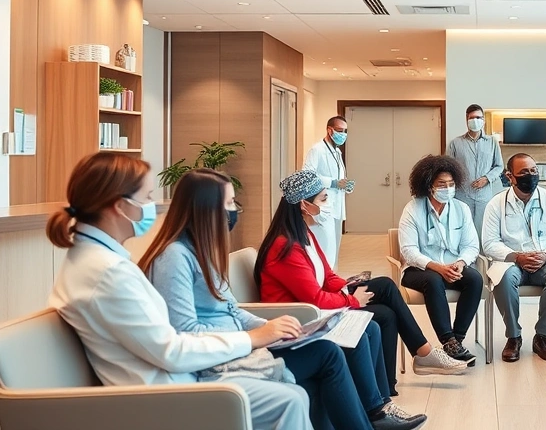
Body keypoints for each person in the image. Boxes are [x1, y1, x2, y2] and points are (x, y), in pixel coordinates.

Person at [138, 168, 426, 430]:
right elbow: (185, 332)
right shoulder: (173, 258)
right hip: (221, 360)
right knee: (331, 352)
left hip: (245, 343)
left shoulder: (202, 252)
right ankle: (376, 412)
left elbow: (232, 310)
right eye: (228, 203)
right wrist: (256, 336)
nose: (235, 210)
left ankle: (378, 409)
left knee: (353, 333)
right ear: (205, 208)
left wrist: (275, 328)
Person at [46, 153, 312, 430]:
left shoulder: (94, 261)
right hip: (166, 396)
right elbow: (171, 351)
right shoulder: (108, 272)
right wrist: (250, 338)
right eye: (147, 197)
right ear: (121, 207)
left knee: (293, 390)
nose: (153, 207)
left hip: (172, 382)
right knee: (289, 399)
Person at [255, 170, 467, 396]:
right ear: (303, 205)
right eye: (323, 199)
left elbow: (326, 275)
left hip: (315, 307)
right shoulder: (285, 247)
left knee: (386, 312)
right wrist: (351, 299)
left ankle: (386, 390)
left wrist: (348, 284)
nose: (328, 205)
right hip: (304, 317)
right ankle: (422, 355)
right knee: (385, 287)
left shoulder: (303, 234)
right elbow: (314, 299)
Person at [481, 153, 546, 363]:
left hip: (544, 260)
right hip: (511, 261)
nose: (530, 176)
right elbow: (489, 243)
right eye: (523, 173)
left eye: (533, 171)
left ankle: (542, 336)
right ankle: (513, 337)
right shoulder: (496, 204)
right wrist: (516, 257)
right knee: (504, 278)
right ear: (509, 176)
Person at [398, 155, 484, 365]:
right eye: (442, 185)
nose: (448, 188)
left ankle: (456, 342)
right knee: (434, 280)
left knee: (474, 279)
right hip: (419, 269)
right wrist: (437, 267)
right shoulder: (413, 209)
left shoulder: (461, 209)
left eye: (451, 184)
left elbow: (471, 245)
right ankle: (448, 339)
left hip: (453, 266)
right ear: (429, 186)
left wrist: (460, 263)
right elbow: (408, 250)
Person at [303, 115, 353, 269]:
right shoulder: (317, 149)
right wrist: (332, 183)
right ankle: (322, 282)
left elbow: (338, 177)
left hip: (336, 206)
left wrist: (345, 185)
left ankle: (332, 280)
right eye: (339, 130)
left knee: (334, 248)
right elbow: (307, 174)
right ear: (329, 130)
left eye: (345, 131)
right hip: (323, 207)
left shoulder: (337, 152)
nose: (342, 134)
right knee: (325, 248)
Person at [445, 104, 504, 234]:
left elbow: (499, 166)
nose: (475, 120)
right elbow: (447, 168)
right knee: (463, 229)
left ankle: (482, 254)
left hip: (484, 196)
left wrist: (487, 179)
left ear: (483, 120)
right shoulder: (456, 143)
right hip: (462, 195)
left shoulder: (492, 142)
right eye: (472, 118)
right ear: (467, 120)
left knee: (483, 229)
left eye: (479, 117)